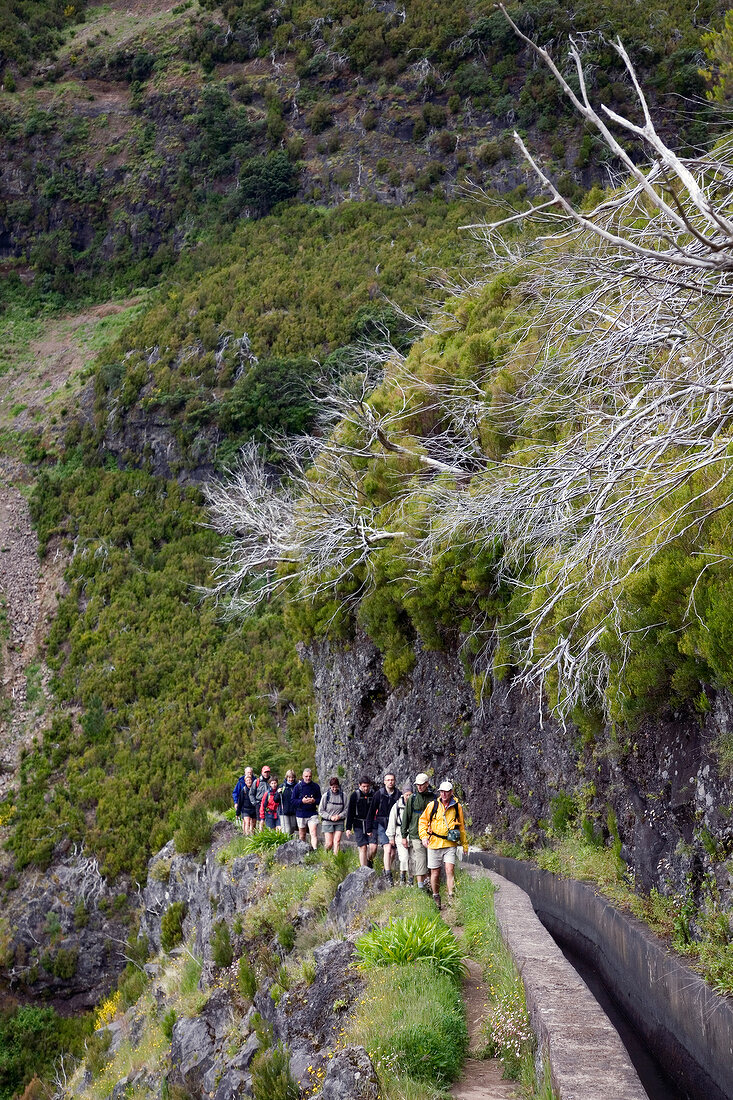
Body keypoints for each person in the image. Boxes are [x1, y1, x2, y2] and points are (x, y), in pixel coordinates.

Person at [418, 780, 468, 909]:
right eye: (441, 791)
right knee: (435, 873)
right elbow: (423, 822)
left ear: (451, 792)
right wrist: (424, 837)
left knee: (449, 869)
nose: (444, 794)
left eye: (446, 792)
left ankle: (451, 897)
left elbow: (461, 826)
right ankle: (436, 896)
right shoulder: (433, 805)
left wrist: (464, 845)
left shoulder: (457, 806)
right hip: (434, 843)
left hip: (450, 843)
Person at [401, 772, 434, 889]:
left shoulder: (434, 798)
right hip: (415, 833)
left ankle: (430, 885)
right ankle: (421, 886)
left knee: (431, 860)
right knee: (420, 859)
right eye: (417, 785)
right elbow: (406, 816)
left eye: (421, 784)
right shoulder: (413, 798)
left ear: (427, 784)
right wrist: (404, 836)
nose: (419, 787)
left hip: (431, 834)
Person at [367, 772, 400, 885]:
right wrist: (369, 828)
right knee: (388, 849)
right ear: (384, 781)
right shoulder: (379, 794)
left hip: (395, 825)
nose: (390, 782)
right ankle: (388, 874)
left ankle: (386, 869)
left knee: (393, 853)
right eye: (388, 780)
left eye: (392, 780)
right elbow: (371, 811)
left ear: (394, 781)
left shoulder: (398, 795)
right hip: (382, 823)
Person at [345, 776, 375, 867]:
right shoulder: (355, 795)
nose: (365, 789)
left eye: (367, 786)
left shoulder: (373, 794)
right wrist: (348, 828)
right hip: (358, 824)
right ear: (359, 785)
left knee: (373, 848)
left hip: (371, 824)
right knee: (363, 847)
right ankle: (363, 870)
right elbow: (350, 811)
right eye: (363, 786)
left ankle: (369, 861)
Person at [387, 783, 413, 884]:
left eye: (410, 794)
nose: (408, 797)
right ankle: (403, 877)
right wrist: (391, 837)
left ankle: (410, 879)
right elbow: (392, 821)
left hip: (413, 835)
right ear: (403, 795)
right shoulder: (397, 806)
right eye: (407, 795)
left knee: (412, 858)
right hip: (400, 834)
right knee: (404, 857)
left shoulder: (415, 805)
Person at [293, 767, 321, 849]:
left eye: (309, 776)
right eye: (306, 776)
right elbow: (293, 801)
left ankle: (314, 850)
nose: (308, 778)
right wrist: (302, 801)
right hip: (301, 813)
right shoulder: (297, 787)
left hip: (312, 813)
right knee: (302, 834)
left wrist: (314, 800)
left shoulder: (316, 786)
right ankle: (303, 850)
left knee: (313, 832)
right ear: (303, 776)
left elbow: (320, 800)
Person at [318, 776, 346, 854]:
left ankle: (336, 859)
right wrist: (330, 817)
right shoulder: (325, 796)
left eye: (336, 787)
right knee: (329, 844)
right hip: (327, 822)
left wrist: (339, 816)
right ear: (330, 786)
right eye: (333, 787)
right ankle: (325, 855)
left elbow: (346, 809)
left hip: (339, 821)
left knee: (337, 841)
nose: (334, 789)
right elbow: (321, 811)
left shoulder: (343, 796)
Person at [233, 770, 257, 835]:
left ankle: (252, 837)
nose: (249, 781)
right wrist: (237, 813)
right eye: (247, 781)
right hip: (245, 809)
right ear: (245, 782)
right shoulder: (243, 790)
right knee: (247, 822)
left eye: (250, 780)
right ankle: (247, 836)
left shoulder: (255, 789)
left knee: (253, 824)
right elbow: (240, 802)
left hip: (254, 809)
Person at [278, 770, 298, 835]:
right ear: (286, 777)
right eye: (289, 777)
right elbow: (276, 800)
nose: (291, 779)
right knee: (286, 830)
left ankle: (290, 844)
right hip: (284, 812)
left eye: (292, 777)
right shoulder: (282, 786)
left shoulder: (297, 786)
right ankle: (285, 844)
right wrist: (278, 793)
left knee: (292, 829)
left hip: (294, 811)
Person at [253, 765, 272, 831]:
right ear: (262, 772)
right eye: (265, 772)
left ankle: (268, 834)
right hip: (259, 803)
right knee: (260, 821)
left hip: (270, 804)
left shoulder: (272, 781)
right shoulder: (257, 782)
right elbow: (251, 793)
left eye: (268, 772)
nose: (266, 774)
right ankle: (260, 835)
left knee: (269, 820)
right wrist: (254, 803)